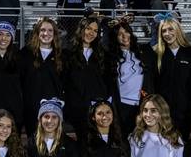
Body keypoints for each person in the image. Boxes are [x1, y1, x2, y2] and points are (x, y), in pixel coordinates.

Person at [106, 16, 156, 138]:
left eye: (127, 32)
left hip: (142, 105)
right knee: (122, 139)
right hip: (121, 105)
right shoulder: (110, 57)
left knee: (141, 140)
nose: (124, 36)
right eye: (119, 34)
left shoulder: (144, 51)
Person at [153, 15, 191, 139]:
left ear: (178, 30)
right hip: (163, 115)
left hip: (187, 114)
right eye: (163, 31)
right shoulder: (156, 54)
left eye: (171, 29)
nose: (167, 34)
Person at [64, 13, 109, 142]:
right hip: (75, 108)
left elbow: (106, 80)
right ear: (81, 29)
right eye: (88, 28)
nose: (91, 33)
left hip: (96, 108)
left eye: (95, 30)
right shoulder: (68, 52)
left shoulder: (102, 54)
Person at [19, 17, 65, 136]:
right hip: (31, 109)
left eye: (50, 30)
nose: (46, 33)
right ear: (37, 32)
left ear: (54, 34)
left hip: (53, 109)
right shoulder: (26, 53)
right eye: (43, 30)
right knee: (33, 143)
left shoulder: (62, 55)